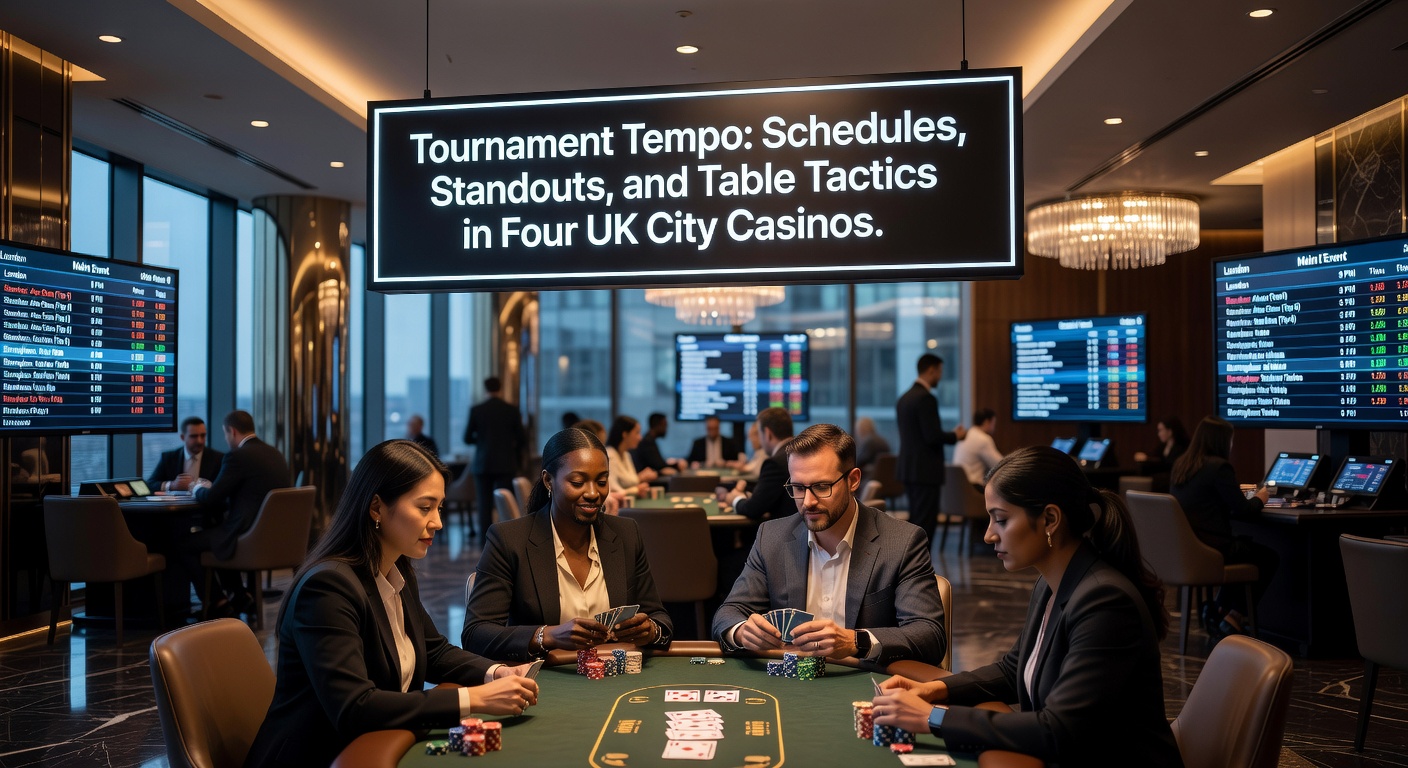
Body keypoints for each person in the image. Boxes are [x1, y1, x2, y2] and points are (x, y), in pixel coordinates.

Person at [872, 446, 1182, 767]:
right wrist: (933, 690)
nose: (990, 534)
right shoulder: (1050, 582)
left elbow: (1058, 729)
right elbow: (1011, 670)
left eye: (1001, 520)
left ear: (1050, 519)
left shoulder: (1105, 601)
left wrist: (934, 719)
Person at [243, 440, 540, 768]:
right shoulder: (327, 587)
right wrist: (472, 699)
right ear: (376, 508)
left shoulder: (397, 567)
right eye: (425, 507)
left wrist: (496, 671)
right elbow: (354, 708)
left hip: (381, 743)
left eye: (439, 507)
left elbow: (435, 651)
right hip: (320, 756)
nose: (438, 522)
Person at [712, 424, 946, 666]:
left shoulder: (902, 542)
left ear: (853, 480)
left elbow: (930, 635)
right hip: (791, 687)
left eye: (822, 487)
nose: (808, 502)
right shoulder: (771, 536)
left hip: (868, 687)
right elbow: (728, 613)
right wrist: (741, 631)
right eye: (798, 488)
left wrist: (855, 642)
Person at [463, 428, 673, 662]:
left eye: (602, 481)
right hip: (543, 681)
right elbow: (476, 634)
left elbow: (659, 617)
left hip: (615, 681)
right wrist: (548, 635)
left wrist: (650, 630)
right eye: (577, 482)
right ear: (548, 480)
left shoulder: (626, 534)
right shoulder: (509, 539)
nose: (593, 493)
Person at [1169, 416, 1277, 637]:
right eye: (1230, 440)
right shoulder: (1219, 467)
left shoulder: (1182, 465)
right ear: (1220, 441)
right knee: (1268, 557)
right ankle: (1234, 616)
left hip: (1188, 550)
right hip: (1214, 550)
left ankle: (1219, 609)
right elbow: (1243, 510)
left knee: (1244, 548)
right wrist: (1261, 497)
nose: (1231, 445)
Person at [186, 410, 291, 616]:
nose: (226, 439)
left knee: (184, 544)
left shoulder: (237, 457)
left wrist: (195, 488)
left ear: (232, 431)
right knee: (215, 535)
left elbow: (211, 497)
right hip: (273, 537)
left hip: (246, 537)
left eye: (225, 435)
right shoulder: (275, 454)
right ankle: (239, 597)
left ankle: (218, 601)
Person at [896, 353, 966, 542]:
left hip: (909, 469)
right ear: (931, 370)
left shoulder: (904, 398)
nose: (940, 377)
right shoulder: (926, 399)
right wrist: (956, 436)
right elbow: (932, 436)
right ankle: (921, 567)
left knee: (915, 522)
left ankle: (910, 566)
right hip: (925, 471)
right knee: (925, 524)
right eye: (940, 372)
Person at [465, 376, 526, 537]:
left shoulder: (477, 410)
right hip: (506, 463)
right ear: (500, 388)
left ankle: (484, 540)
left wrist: (483, 440)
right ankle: (505, 538)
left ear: (485, 389)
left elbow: (467, 438)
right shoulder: (511, 410)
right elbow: (522, 438)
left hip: (483, 463)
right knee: (504, 502)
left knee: (484, 504)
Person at [719, 407, 796, 521]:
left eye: (759, 433)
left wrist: (735, 498)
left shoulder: (775, 463)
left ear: (768, 433)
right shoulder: (798, 453)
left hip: (783, 534)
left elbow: (753, 509)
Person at [147, 416, 224, 492]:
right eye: (194, 436)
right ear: (183, 437)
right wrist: (172, 485)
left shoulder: (218, 458)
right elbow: (150, 484)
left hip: (206, 504)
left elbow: (222, 488)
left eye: (203, 435)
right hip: (176, 504)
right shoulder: (169, 458)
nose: (199, 441)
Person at [605, 415, 658, 496]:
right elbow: (612, 490)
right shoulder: (610, 455)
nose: (640, 438)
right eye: (637, 433)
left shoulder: (626, 454)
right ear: (625, 434)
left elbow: (630, 482)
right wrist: (637, 489)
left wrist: (641, 478)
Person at [951, 408, 1003, 489]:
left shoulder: (966, 434)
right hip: (973, 487)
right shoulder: (983, 439)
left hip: (957, 485)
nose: (994, 427)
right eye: (993, 423)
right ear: (986, 422)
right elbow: (999, 465)